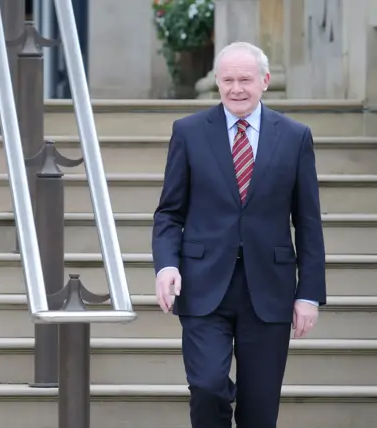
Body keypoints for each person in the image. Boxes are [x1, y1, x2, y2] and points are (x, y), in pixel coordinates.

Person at [151, 42, 326, 428]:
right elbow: (169, 213)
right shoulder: (190, 132)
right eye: (227, 80)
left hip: (270, 288)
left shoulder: (296, 136)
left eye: (245, 79)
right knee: (209, 386)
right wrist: (166, 266)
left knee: (260, 408)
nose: (236, 89)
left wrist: (309, 294)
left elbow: (309, 222)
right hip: (203, 285)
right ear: (217, 81)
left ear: (264, 81)